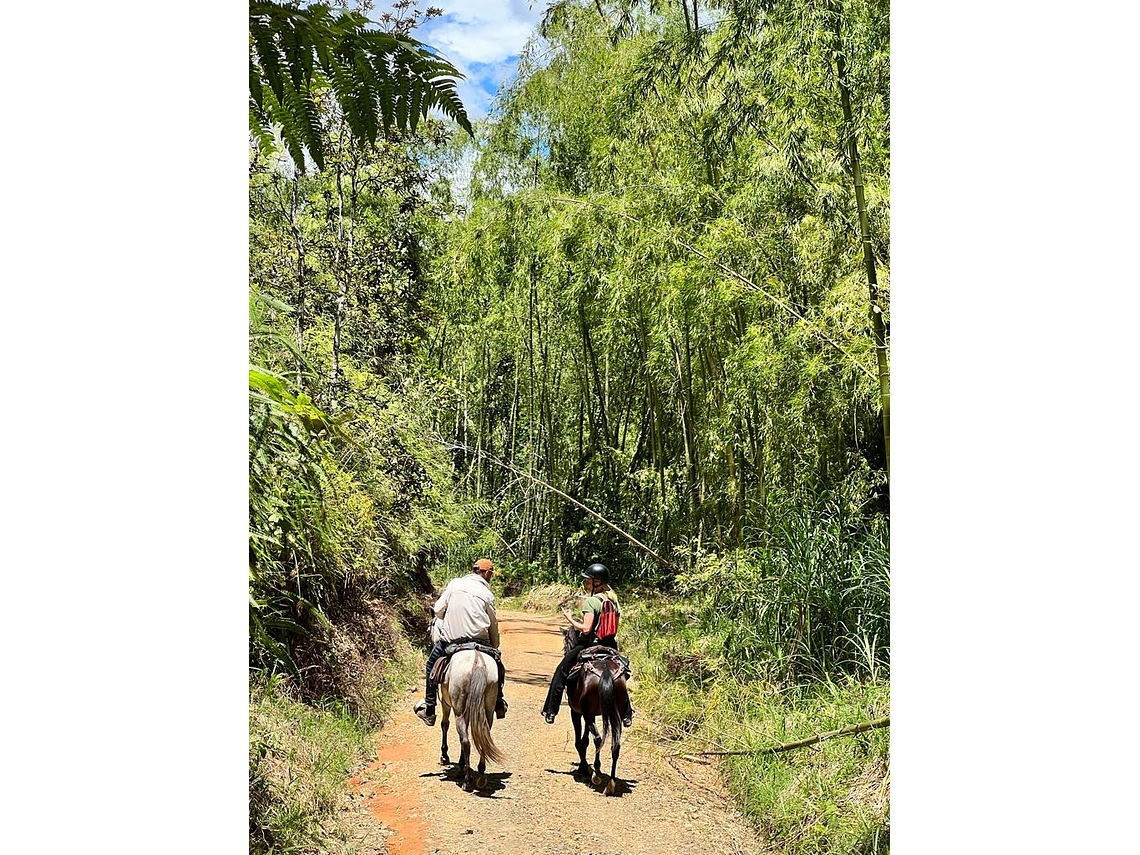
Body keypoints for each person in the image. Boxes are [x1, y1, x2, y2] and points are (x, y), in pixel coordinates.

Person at [414, 558, 507, 726]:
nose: (491, 577)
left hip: (452, 643)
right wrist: (495, 645)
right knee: (498, 667)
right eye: (491, 574)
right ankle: (498, 701)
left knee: (431, 665)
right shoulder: (487, 594)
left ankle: (429, 708)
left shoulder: (455, 584)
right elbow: (493, 623)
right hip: (481, 642)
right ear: (487, 573)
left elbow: (438, 611)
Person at [541, 562, 633, 727]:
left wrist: (569, 618)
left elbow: (586, 629)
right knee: (621, 672)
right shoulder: (613, 600)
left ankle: (550, 710)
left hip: (589, 644)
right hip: (610, 645)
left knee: (561, 671)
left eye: (588, 580)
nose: (585, 583)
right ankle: (626, 713)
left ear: (597, 582)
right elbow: (615, 627)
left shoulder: (592, 601)